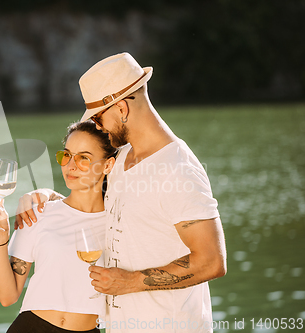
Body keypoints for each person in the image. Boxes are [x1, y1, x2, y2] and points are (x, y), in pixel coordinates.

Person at [15, 53, 227, 332]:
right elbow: (90, 202)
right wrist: (45, 196)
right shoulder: (122, 158)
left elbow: (212, 260)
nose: (97, 127)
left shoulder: (177, 170)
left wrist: (131, 282)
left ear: (122, 109)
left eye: (98, 117)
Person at [0, 120, 117, 332]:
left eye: (84, 158)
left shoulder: (119, 222)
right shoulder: (38, 213)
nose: (70, 166)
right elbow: (8, 296)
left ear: (107, 165)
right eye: (67, 155)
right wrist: (0, 241)